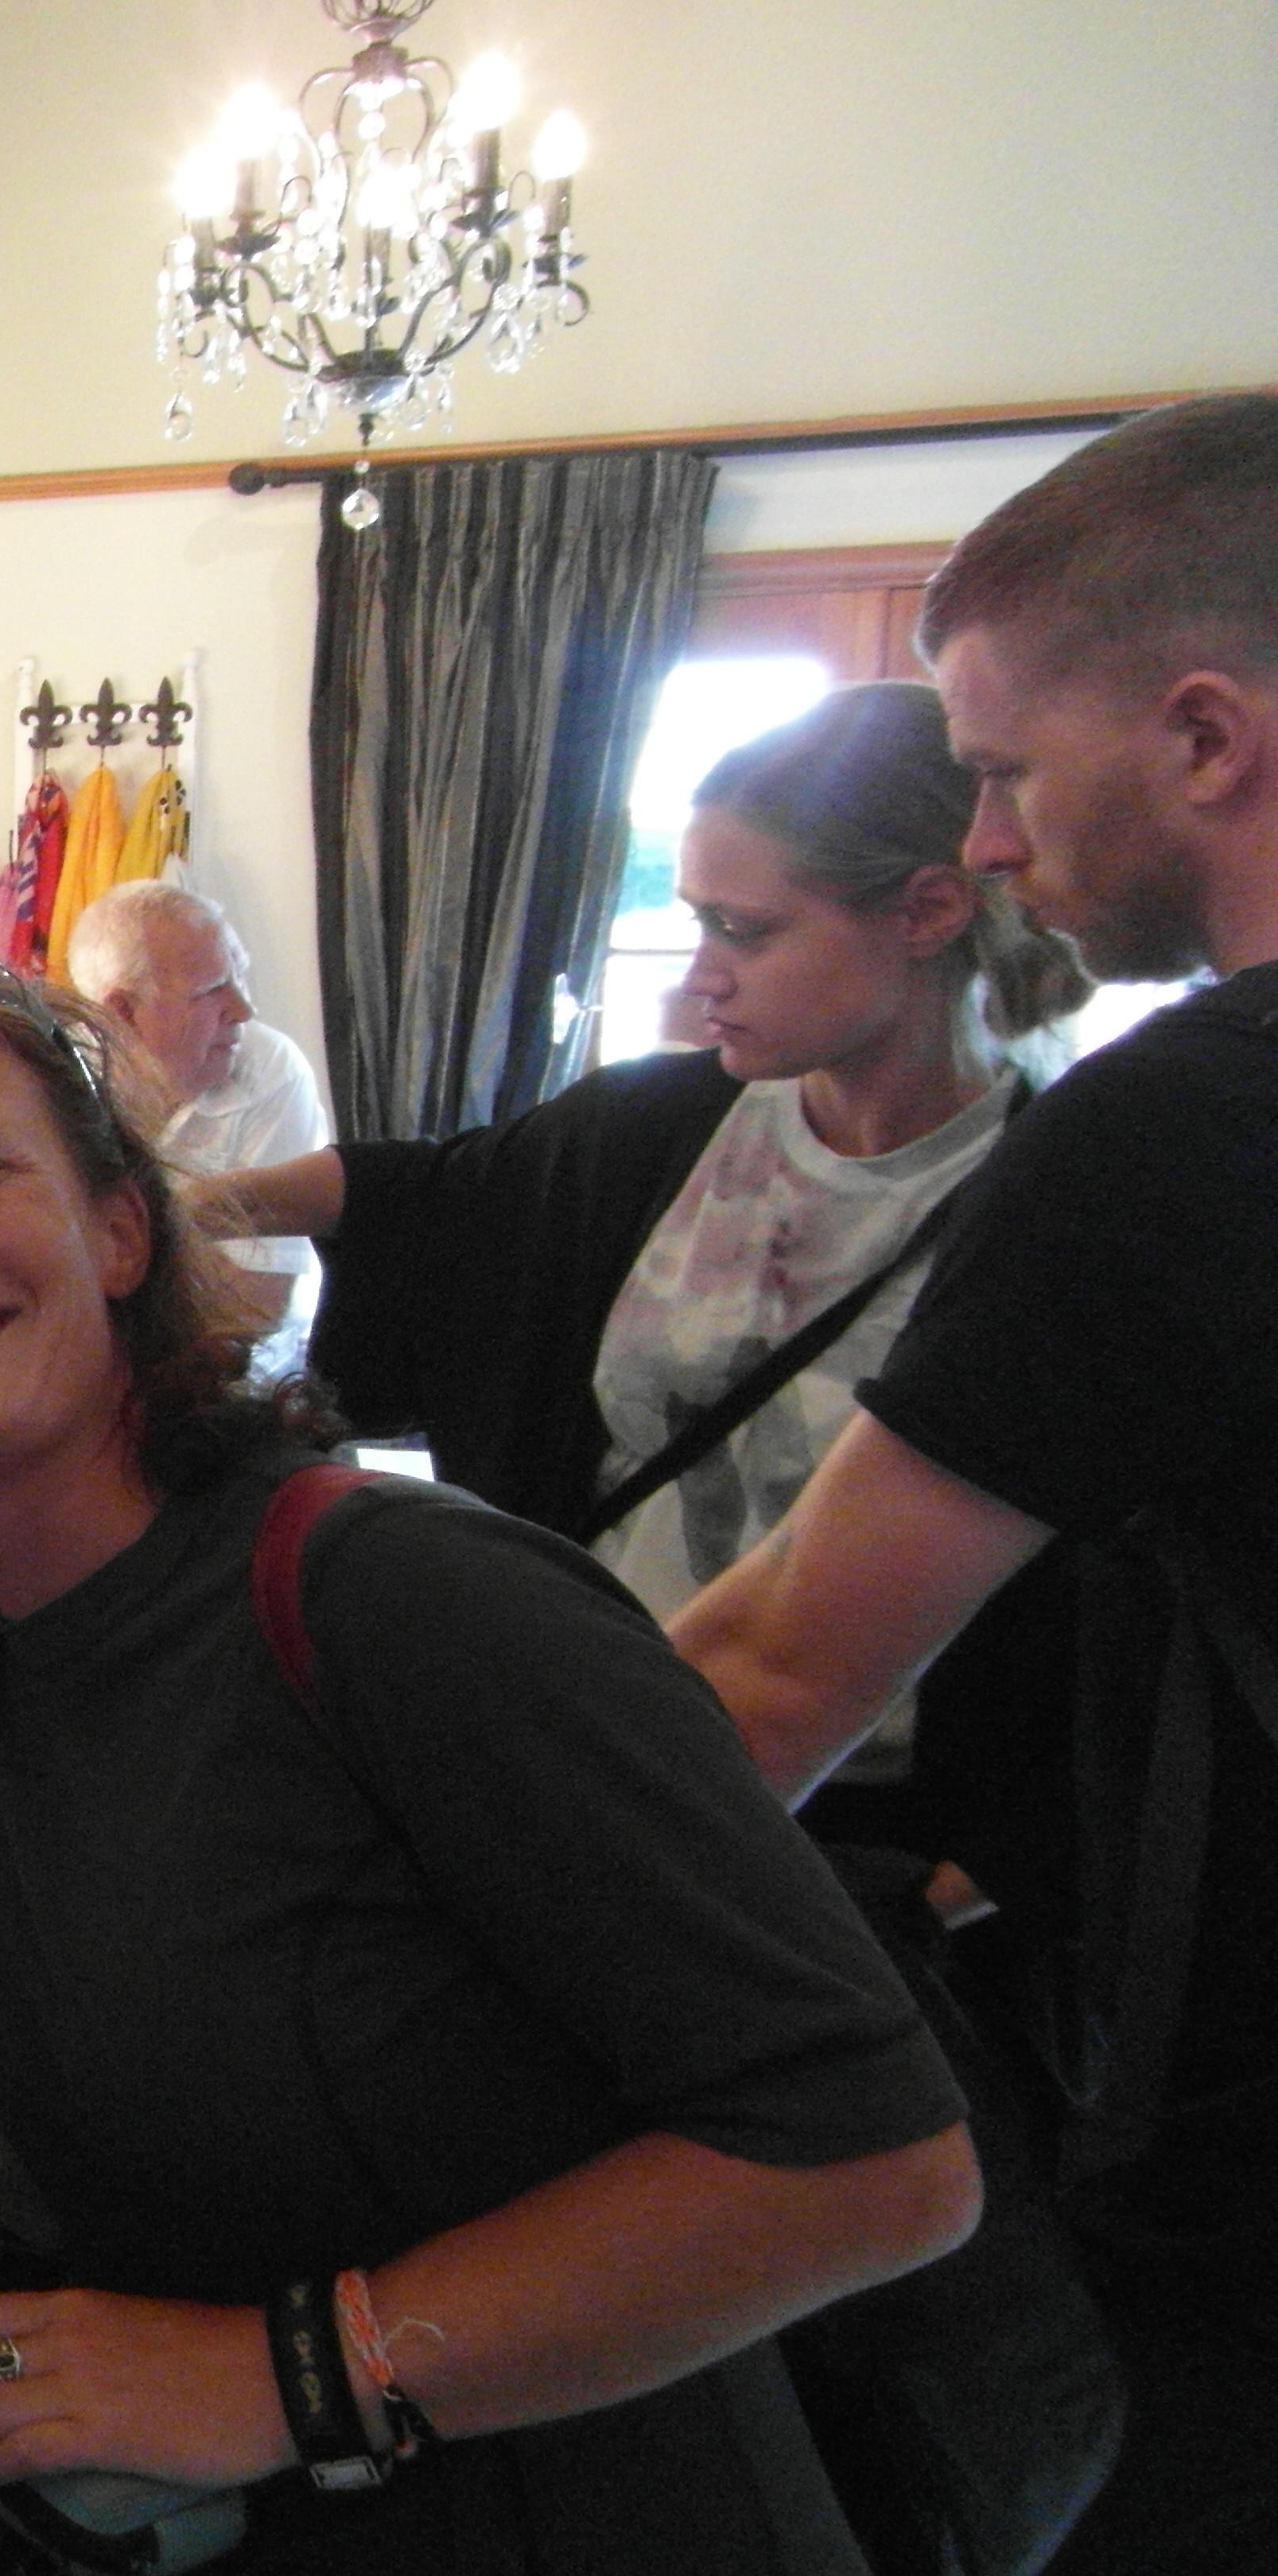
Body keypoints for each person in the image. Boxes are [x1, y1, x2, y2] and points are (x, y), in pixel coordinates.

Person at [0, 939, 978, 2572]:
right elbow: (80, 2162)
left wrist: (288, 2380)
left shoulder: (404, 1600)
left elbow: (875, 2159)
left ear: (120, 1231)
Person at [669, 395, 1278, 2574]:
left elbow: (771, 1672)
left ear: (1202, 736)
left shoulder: (1179, 1128)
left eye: (1008, 771)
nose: (994, 842)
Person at [202, 685, 1086, 1827]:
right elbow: (428, 1193)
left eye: (745, 931)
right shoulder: (658, 1124)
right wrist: (169, 1209)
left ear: (927, 910)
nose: (699, 977)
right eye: (698, 922)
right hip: (594, 1747)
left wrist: (984, 1876)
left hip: (868, 1824)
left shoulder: (1055, 1200)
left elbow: (1100, 1591)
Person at [64, 880, 333, 1352]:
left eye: (240, 976)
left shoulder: (269, 1069)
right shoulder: (56, 1080)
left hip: (243, 1370)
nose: (245, 1009)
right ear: (121, 1013)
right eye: (211, 991)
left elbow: (254, 1307)